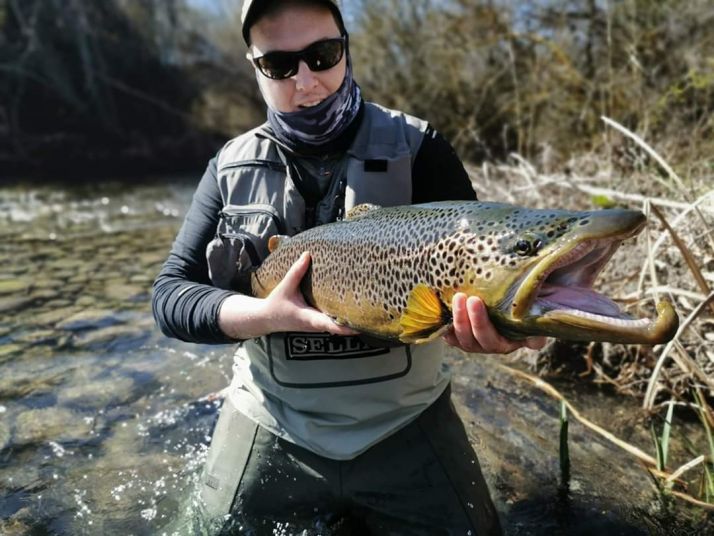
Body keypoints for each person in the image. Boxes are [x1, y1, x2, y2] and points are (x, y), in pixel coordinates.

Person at [152, 1, 545, 533]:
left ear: (346, 47)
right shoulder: (226, 168)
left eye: (323, 54)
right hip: (273, 419)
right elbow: (170, 297)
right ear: (254, 66)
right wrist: (264, 316)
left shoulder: (419, 147)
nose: (307, 80)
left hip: (406, 420)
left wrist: (504, 329)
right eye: (280, 65)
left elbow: (482, 268)